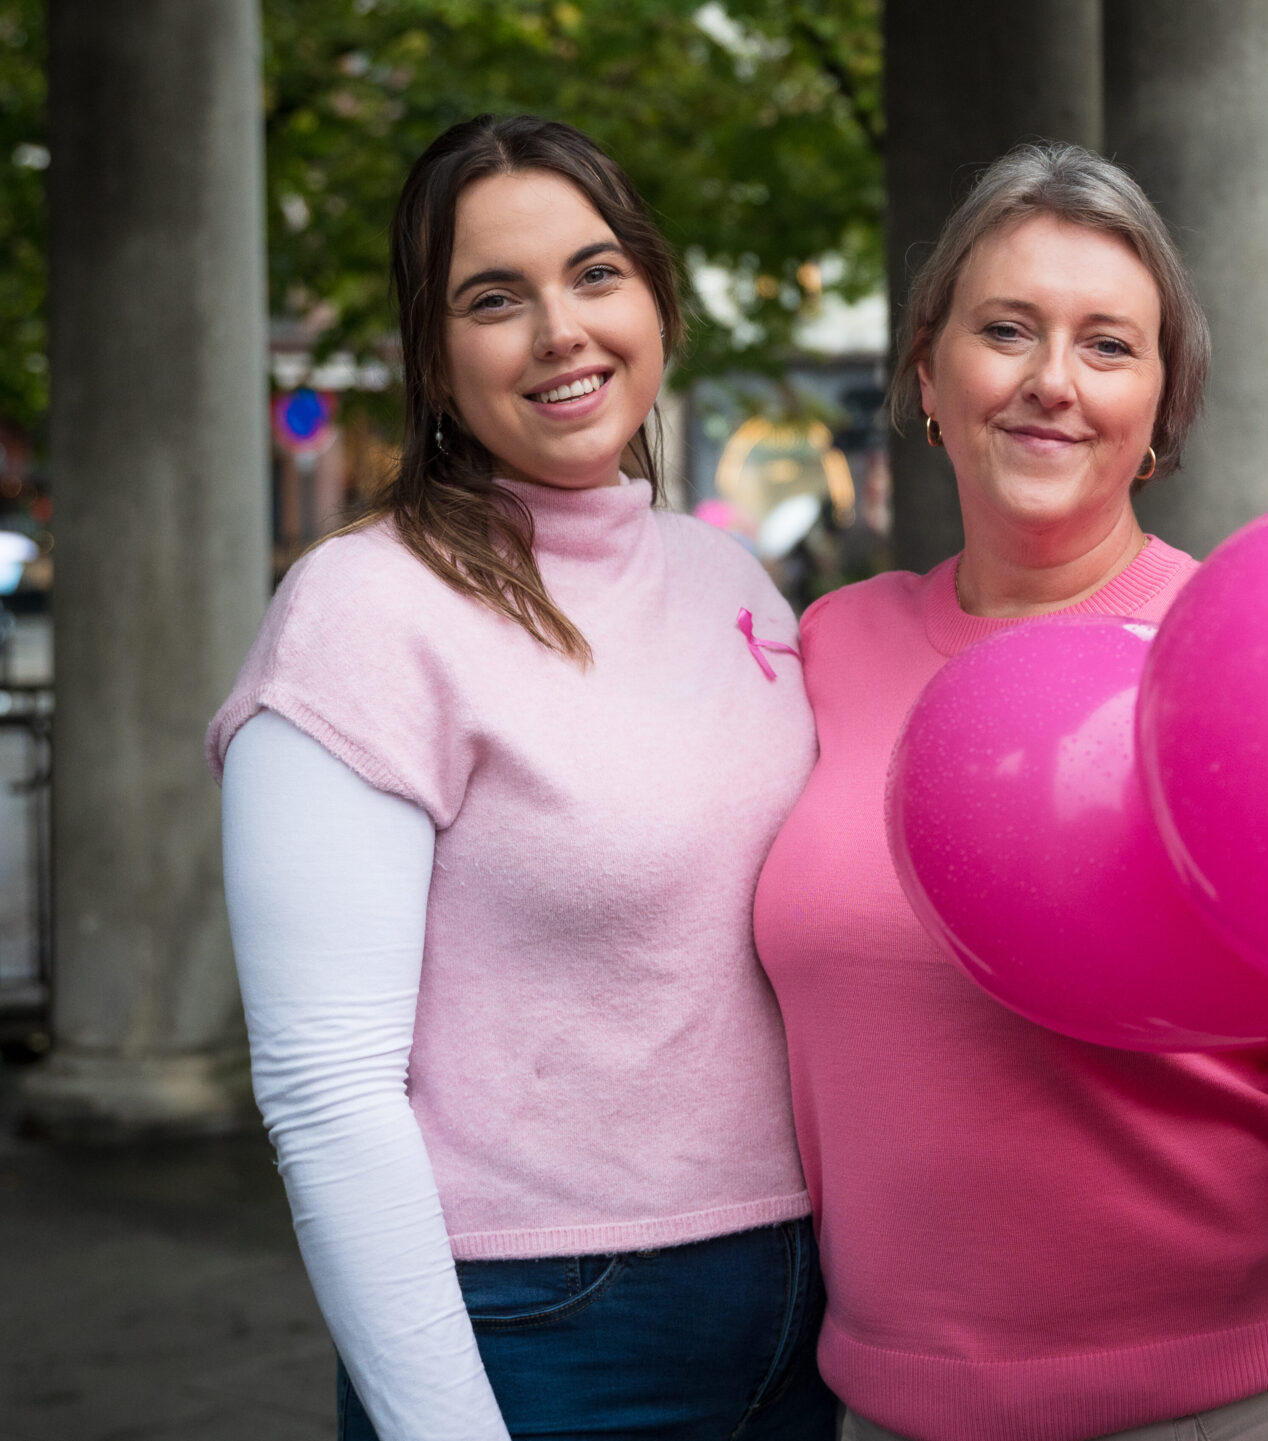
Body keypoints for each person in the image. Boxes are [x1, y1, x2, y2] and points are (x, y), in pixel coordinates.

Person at [208, 115, 834, 1441]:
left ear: (657, 298)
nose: (563, 330)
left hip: (808, 1303)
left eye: (596, 272)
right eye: (496, 298)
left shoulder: (735, 582)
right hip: (546, 1328)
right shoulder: (365, 610)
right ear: (434, 360)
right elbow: (327, 1101)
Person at [753, 143, 1268, 1441]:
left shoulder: (1245, 660)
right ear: (927, 372)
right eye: (1007, 330)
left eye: (1108, 345)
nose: (1052, 381)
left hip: (1227, 1403)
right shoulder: (823, 649)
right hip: (889, 1404)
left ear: (1161, 407)